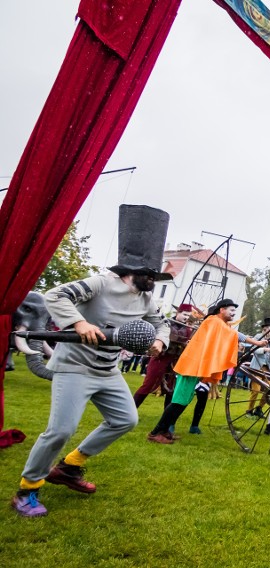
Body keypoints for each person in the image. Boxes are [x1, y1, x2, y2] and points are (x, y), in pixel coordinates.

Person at [11, 204, 172, 517]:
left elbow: (161, 323)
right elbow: (55, 295)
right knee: (60, 430)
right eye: (148, 275)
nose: (152, 280)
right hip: (74, 368)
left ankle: (69, 467)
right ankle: (27, 490)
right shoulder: (99, 284)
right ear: (130, 271)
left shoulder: (146, 299)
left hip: (108, 372)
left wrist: (159, 340)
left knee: (126, 420)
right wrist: (78, 323)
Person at [147, 299, 266, 443]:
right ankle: (155, 433)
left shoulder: (221, 324)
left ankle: (164, 431)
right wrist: (256, 342)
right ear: (221, 310)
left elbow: (234, 334)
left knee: (183, 400)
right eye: (231, 310)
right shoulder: (213, 321)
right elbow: (233, 335)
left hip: (195, 367)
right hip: (191, 367)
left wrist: (256, 342)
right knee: (179, 401)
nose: (234, 313)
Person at [133, 303, 194, 408]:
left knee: (171, 388)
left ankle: (166, 419)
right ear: (178, 312)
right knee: (149, 384)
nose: (186, 317)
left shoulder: (188, 329)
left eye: (188, 316)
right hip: (160, 358)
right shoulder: (166, 323)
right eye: (184, 314)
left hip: (175, 361)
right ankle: (132, 409)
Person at [246, 317, 270, 418]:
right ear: (264, 329)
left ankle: (259, 408)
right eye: (268, 329)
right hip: (257, 367)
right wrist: (265, 350)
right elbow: (253, 349)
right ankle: (249, 410)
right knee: (256, 390)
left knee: (269, 389)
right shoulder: (258, 336)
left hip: (268, 369)